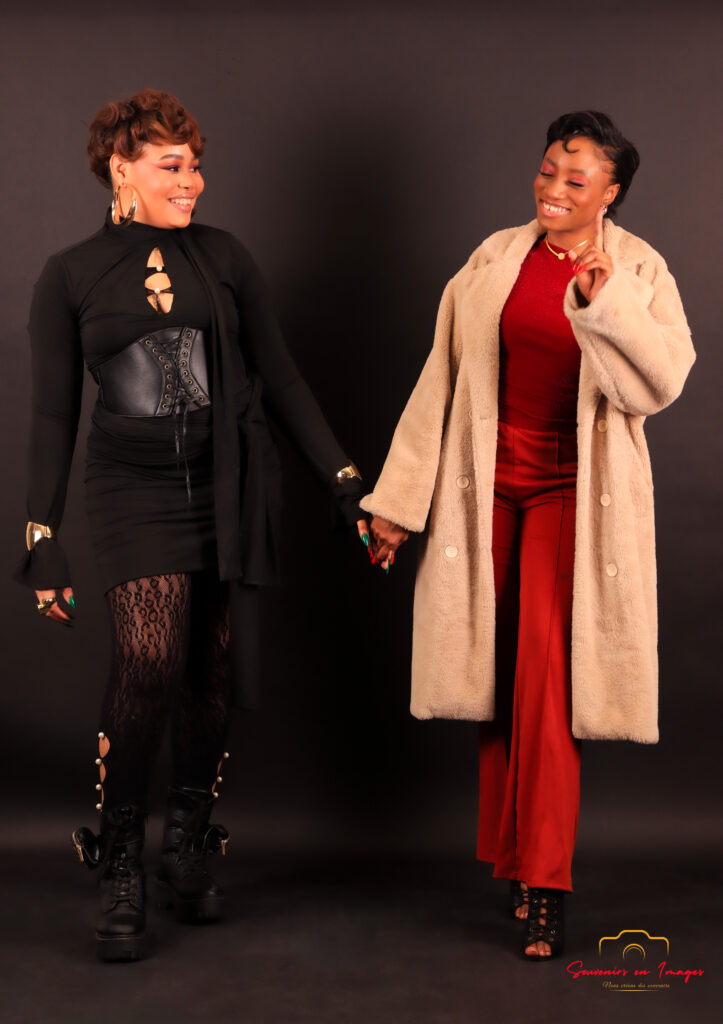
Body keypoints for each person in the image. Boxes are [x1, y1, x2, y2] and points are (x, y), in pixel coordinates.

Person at [14, 89, 369, 962]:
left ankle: (187, 841)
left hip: (225, 484)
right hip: (130, 488)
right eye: (171, 165)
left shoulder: (224, 256)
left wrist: (342, 478)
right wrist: (40, 536)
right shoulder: (69, 273)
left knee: (210, 663)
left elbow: (279, 376)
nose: (192, 182)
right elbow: (55, 416)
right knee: (149, 658)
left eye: (196, 165)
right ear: (121, 169)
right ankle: (121, 858)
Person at [361, 111, 695, 961]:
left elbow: (658, 386)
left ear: (609, 194)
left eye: (574, 179)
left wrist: (603, 302)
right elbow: (440, 380)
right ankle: (512, 861)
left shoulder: (638, 269)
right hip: (483, 493)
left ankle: (546, 883)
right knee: (496, 677)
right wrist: (396, 506)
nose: (552, 189)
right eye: (547, 170)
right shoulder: (494, 257)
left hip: (570, 496)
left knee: (547, 686)